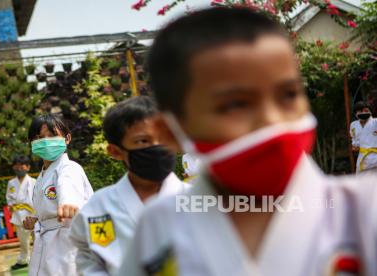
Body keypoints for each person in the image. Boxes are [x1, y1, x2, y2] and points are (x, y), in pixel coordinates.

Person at [118, 7, 377, 276]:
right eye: (235, 104)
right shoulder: (158, 227)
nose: (272, 119)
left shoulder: (363, 210)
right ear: (171, 132)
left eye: (288, 94)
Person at [69, 96, 188, 275]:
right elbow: (88, 258)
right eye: (143, 141)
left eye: (164, 138)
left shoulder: (198, 200)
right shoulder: (98, 207)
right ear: (116, 152)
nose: (157, 147)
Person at [23, 114, 94, 276]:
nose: (46, 141)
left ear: (67, 138)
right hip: (46, 242)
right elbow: (48, 208)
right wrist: (36, 219)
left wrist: (68, 204)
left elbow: (67, 188)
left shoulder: (69, 168)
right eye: (39, 137)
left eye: (52, 135)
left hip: (67, 243)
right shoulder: (41, 177)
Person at [6, 155, 36, 270]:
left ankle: (39, 259)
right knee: (23, 241)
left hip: (32, 214)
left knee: (38, 239)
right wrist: (12, 206)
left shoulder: (33, 181)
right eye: (16, 166)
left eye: (21, 166)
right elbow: (9, 198)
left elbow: (37, 198)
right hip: (18, 215)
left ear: (27, 167)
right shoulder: (11, 183)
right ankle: (23, 260)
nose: (18, 168)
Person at [350, 101, 377, 173]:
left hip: (375, 158)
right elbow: (354, 139)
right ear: (355, 113)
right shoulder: (353, 125)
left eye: (365, 111)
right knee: (363, 183)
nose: (362, 113)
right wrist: (355, 145)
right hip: (363, 159)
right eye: (359, 111)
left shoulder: (375, 122)